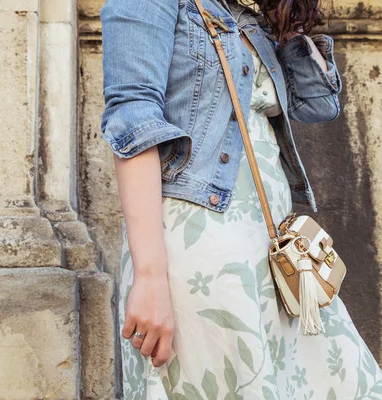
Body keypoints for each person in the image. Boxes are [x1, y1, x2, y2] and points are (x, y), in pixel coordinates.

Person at [99, 0, 382, 398]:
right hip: (202, 246)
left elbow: (319, 105)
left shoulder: (248, 13)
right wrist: (149, 277)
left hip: (275, 250)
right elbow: (132, 120)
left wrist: (292, 20)